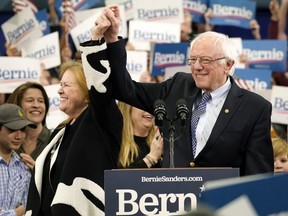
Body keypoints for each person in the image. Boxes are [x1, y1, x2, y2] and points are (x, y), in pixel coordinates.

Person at [98, 5, 274, 176]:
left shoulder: (255, 108)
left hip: (221, 203)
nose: (197, 67)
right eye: (193, 59)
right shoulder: (178, 86)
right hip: (173, 200)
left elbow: (258, 176)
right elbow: (125, 90)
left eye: (205, 60)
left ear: (227, 65)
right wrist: (113, 39)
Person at [25, 26, 123, 215]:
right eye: (60, 85)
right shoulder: (59, 133)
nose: (59, 90)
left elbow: (101, 88)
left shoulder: (99, 121)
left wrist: (95, 39)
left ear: (88, 94)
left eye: (67, 85)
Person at [0, 103, 36, 216]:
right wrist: (16, 213)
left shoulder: (24, 167)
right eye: (12, 129)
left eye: (23, 129)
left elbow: (28, 209)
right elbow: (22, 210)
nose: (19, 136)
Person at [6, 82, 50, 170]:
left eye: (41, 101)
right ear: (17, 106)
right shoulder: (5, 142)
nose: (36, 105)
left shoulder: (56, 140)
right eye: (30, 100)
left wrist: (39, 173)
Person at [117, 101, 163, 168]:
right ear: (128, 108)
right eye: (143, 104)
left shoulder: (159, 144)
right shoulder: (115, 144)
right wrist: (150, 158)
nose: (149, 109)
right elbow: (118, 177)